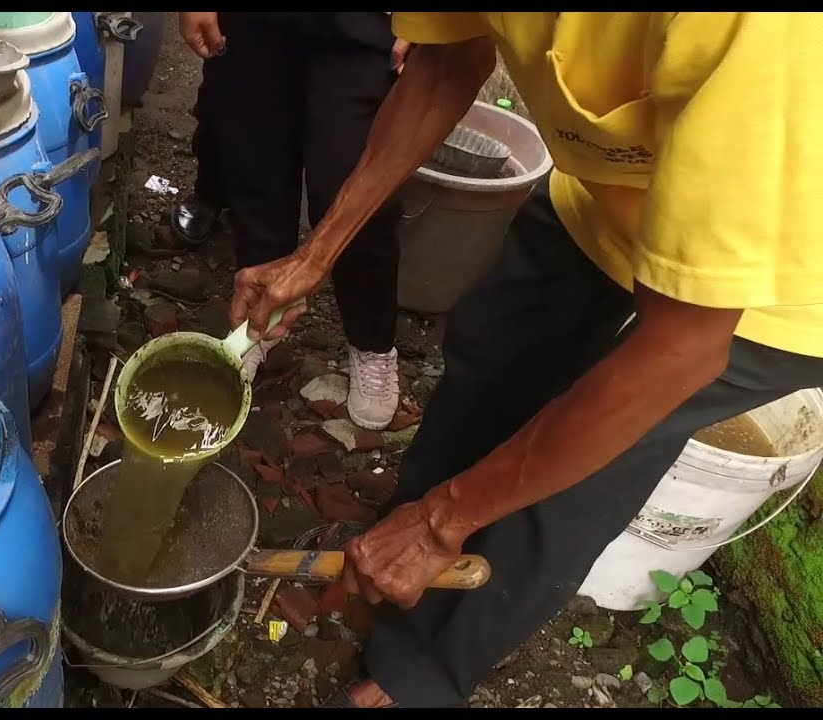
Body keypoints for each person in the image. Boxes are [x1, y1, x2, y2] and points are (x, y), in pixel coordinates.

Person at [229, 11, 823, 708]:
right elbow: (446, 66)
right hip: (607, 203)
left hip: (776, 284)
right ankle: (394, 562)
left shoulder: (761, 29)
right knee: (492, 358)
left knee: (586, 469)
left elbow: (680, 350)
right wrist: (316, 252)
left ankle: (421, 674)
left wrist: (441, 521)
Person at [172, 12, 412, 431]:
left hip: (364, 25)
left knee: (349, 177)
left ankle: (372, 342)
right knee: (255, 167)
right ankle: (260, 320)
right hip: (251, 25)